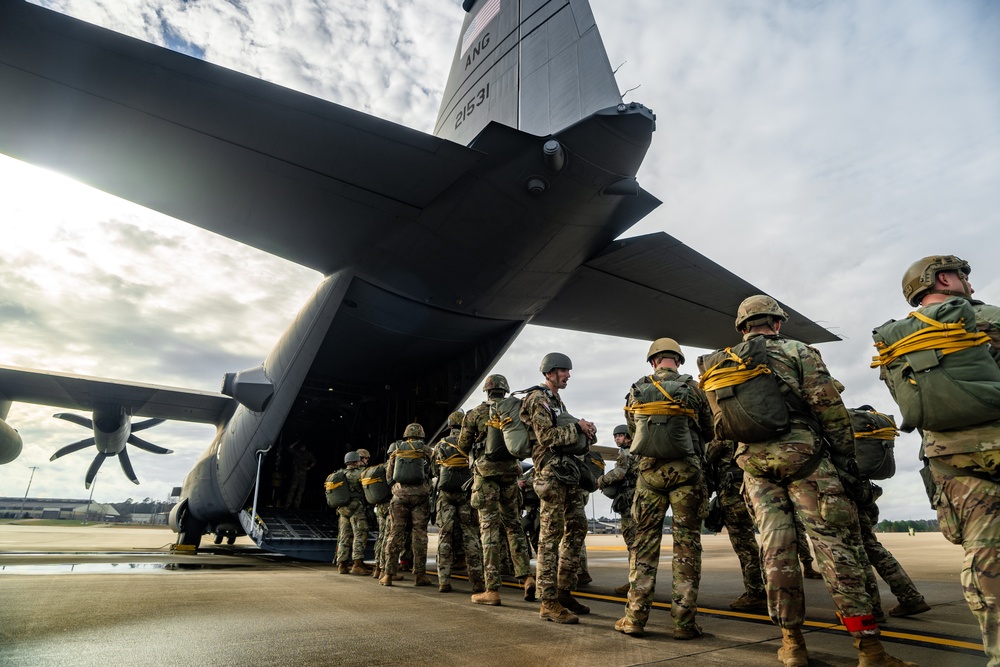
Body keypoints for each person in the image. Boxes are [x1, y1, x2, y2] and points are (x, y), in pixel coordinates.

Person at [707, 295, 914, 667]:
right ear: (777, 322)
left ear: (742, 328)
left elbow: (721, 428)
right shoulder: (798, 350)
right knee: (836, 550)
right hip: (806, 460)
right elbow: (828, 405)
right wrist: (843, 456)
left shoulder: (723, 362)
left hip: (754, 468)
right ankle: (869, 649)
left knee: (776, 553)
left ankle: (792, 645)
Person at [878, 255, 1000, 665]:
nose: (968, 282)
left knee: (983, 556)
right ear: (944, 278)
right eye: (963, 274)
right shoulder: (986, 318)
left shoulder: (896, 339)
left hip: (949, 459)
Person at [613, 338, 710, 640]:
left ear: (653, 361)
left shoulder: (637, 389)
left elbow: (633, 432)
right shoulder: (694, 389)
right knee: (686, 549)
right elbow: (709, 429)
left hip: (649, 476)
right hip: (686, 474)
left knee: (643, 548)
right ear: (678, 361)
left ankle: (634, 618)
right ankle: (683, 623)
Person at [521, 353, 596, 624]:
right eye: (563, 370)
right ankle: (548, 601)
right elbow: (546, 437)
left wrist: (586, 430)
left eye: (568, 370)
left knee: (577, 527)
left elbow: (564, 430)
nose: (567, 375)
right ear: (550, 371)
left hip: (567, 472)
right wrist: (577, 427)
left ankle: (563, 591)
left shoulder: (555, 401)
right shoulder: (537, 399)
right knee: (549, 537)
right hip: (550, 474)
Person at [458, 374, 534, 606]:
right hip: (511, 473)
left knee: (488, 530)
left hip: (485, 475)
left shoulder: (475, 414)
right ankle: (527, 576)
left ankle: (492, 589)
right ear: (505, 390)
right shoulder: (516, 409)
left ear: (487, 391)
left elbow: (463, 445)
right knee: (513, 526)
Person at [704, 438, 767, 610]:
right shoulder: (751, 431)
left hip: (734, 493)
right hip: (757, 489)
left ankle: (756, 593)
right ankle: (771, 590)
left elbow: (705, 457)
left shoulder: (724, 436)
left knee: (745, 545)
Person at [432, 410, 485, 594]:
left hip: (445, 494)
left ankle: (443, 581)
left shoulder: (440, 444)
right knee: (470, 536)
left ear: (449, 426)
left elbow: (433, 469)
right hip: (466, 494)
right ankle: (477, 581)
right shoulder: (471, 441)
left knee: (444, 537)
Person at [380, 423, 436, 587]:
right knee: (419, 535)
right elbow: (434, 472)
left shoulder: (397, 450)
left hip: (399, 497)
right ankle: (420, 575)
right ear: (421, 435)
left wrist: (397, 488)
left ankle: (388, 575)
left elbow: (389, 476)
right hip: (420, 497)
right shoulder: (427, 451)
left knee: (395, 534)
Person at [597, 424, 639, 595]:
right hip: (640, 500)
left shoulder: (625, 455)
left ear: (628, 437)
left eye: (620, 436)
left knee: (632, 543)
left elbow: (619, 473)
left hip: (629, 502)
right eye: (615, 436)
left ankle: (635, 583)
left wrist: (602, 480)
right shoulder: (639, 453)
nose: (617, 439)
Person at [334, 450, 371, 575]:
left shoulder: (340, 473)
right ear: (357, 461)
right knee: (359, 535)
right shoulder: (360, 474)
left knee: (344, 536)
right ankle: (357, 564)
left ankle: (342, 565)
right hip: (356, 509)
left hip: (342, 510)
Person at [284, 440, 316, 509]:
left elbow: (314, 461)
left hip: (303, 473)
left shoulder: (308, 454)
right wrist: (296, 442)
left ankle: (296, 506)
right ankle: (287, 505)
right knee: (293, 489)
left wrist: (309, 467)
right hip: (296, 472)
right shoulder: (297, 452)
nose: (302, 448)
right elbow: (289, 448)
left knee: (300, 490)